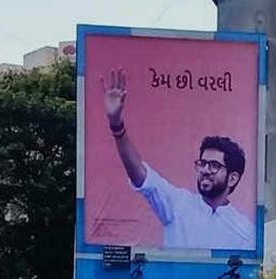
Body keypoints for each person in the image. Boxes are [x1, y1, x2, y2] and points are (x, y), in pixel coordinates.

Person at [100, 68, 255, 250]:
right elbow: (141, 176)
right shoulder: (179, 204)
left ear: (233, 178)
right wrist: (117, 126)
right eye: (202, 163)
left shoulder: (245, 232)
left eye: (214, 165)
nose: (205, 170)